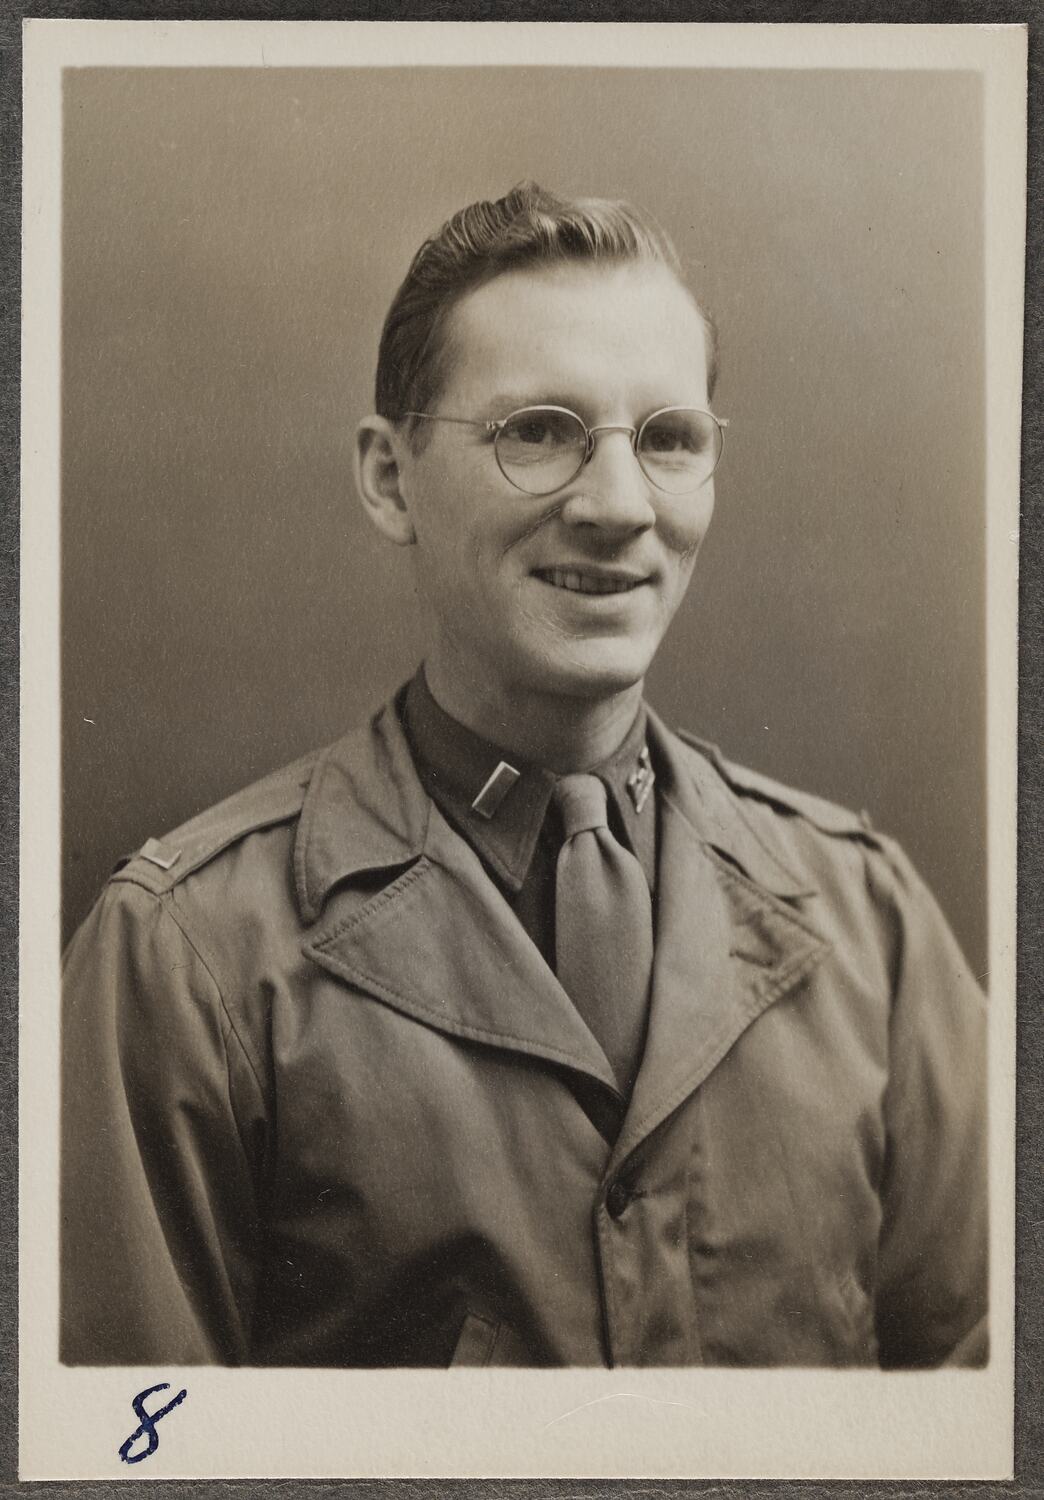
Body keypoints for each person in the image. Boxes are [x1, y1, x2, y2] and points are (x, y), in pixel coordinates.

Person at [61, 182, 987, 1369]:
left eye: (667, 439)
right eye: (537, 431)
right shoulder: (184, 962)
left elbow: (993, 1417)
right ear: (391, 480)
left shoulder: (875, 926)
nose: (616, 506)